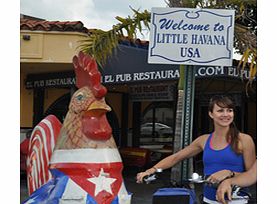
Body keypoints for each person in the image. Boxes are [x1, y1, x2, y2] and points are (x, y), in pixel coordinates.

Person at [136, 95, 256, 204]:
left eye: (229, 110)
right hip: (208, 200)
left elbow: (252, 175)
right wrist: (151, 170)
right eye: (220, 110)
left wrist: (229, 173)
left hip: (237, 200)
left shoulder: (244, 140)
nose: (226, 114)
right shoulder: (203, 140)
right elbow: (176, 157)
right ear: (211, 114)